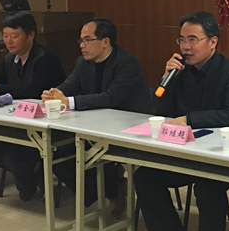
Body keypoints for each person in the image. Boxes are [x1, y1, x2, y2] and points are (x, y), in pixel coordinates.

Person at [134, 11, 229, 231]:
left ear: (213, 42)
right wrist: (166, 79)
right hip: (185, 152)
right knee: (144, 177)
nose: (185, 47)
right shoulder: (179, 72)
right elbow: (160, 111)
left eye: (193, 40)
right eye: (182, 40)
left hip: (220, 156)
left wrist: (189, 119)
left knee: (208, 186)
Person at [42, 17, 152, 217]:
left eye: (87, 40)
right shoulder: (82, 62)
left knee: (95, 151)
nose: (81, 45)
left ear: (105, 42)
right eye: (80, 40)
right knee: (57, 151)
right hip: (95, 124)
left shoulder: (126, 62)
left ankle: (110, 188)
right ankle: (105, 190)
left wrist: (68, 101)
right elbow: (70, 85)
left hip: (128, 126)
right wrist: (54, 94)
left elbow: (111, 97)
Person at [0, 11, 66, 201]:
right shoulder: (11, 58)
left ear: (30, 35)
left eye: (14, 36)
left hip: (45, 124)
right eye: (5, 36)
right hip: (17, 121)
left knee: (13, 156)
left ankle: (29, 179)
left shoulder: (45, 57)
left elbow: (34, 90)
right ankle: (31, 175)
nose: (8, 41)